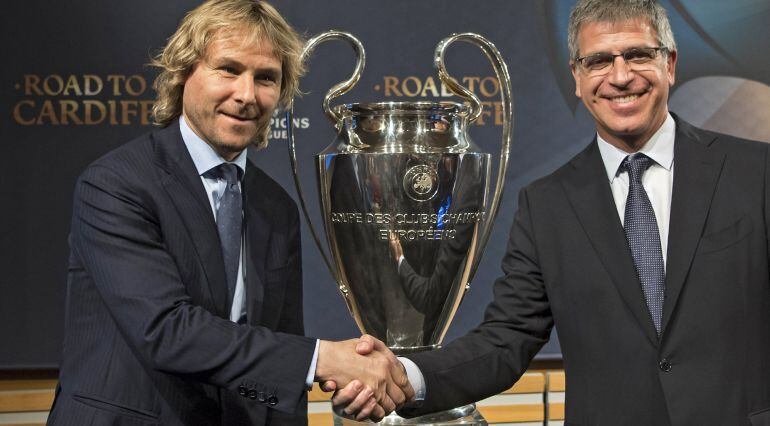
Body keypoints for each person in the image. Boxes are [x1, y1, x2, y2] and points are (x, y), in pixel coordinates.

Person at [339, 0, 770, 424]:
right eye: (598, 61)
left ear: (670, 64)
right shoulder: (547, 204)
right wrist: (405, 376)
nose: (620, 77)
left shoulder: (757, 173)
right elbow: (507, 340)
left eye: (638, 55)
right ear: (577, 79)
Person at [49, 1, 410, 424]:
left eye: (265, 78)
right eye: (228, 69)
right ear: (184, 73)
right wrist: (323, 358)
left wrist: (331, 376)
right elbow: (166, 331)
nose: (246, 95)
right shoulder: (115, 184)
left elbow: (278, 360)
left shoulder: (275, 207)